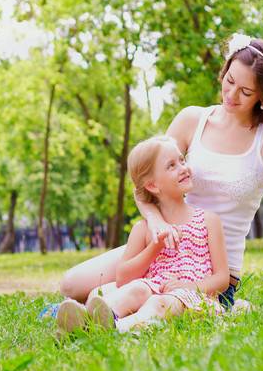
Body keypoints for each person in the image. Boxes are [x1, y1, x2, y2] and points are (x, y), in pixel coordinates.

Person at [58, 32, 263, 310]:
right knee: (71, 285)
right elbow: (146, 181)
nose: (232, 94)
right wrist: (155, 221)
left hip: (210, 265)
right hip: (166, 248)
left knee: (123, 299)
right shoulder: (192, 119)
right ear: (224, 72)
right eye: (230, 81)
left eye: (246, 92)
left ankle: (221, 304)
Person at [54, 135, 228, 334]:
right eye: (171, 166)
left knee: (158, 303)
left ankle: (113, 328)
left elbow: (222, 278)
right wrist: (155, 248)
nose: (182, 168)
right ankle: (84, 318)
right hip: (154, 288)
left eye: (182, 160)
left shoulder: (208, 220)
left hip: (193, 299)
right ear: (153, 185)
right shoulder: (144, 229)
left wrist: (189, 286)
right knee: (137, 289)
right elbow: (123, 278)